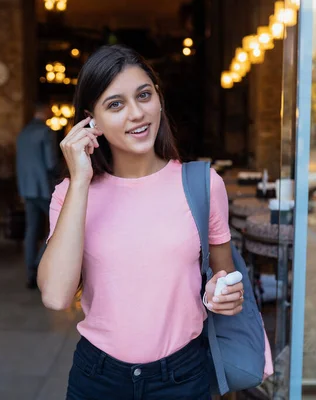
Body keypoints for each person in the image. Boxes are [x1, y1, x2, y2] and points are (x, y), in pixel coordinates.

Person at [38, 45, 245, 400]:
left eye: (144, 95)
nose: (136, 113)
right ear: (92, 121)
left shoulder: (203, 184)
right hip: (98, 378)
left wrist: (223, 294)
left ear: (159, 100)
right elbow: (57, 296)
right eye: (115, 104)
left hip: (182, 377)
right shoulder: (72, 193)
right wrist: (81, 180)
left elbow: (224, 280)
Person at [16, 103, 58, 289]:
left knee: (31, 229)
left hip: (27, 188)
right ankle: (38, 263)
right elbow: (51, 164)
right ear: (46, 112)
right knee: (58, 226)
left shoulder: (22, 133)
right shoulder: (46, 132)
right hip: (44, 187)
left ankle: (29, 271)